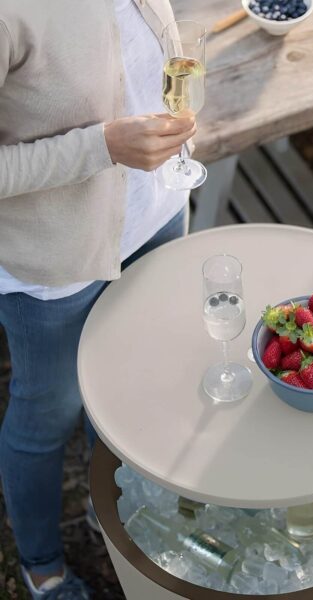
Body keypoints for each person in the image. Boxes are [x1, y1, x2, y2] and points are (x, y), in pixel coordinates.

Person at [0, 1, 198, 597]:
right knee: (46, 415)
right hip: (57, 259)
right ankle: (42, 567)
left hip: (158, 210)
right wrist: (102, 146)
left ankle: (107, 503)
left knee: (126, 384)